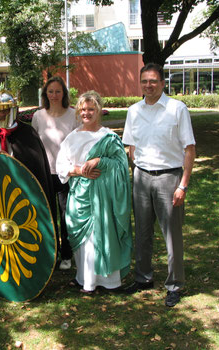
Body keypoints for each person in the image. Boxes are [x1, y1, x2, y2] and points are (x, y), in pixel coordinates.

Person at [122, 63, 196, 307]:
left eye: (153, 81)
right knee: (142, 232)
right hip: (141, 177)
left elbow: (189, 148)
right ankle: (143, 278)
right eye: (144, 81)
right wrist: (138, 169)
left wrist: (182, 184)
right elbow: (130, 146)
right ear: (140, 83)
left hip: (169, 178)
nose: (148, 85)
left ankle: (174, 285)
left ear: (163, 83)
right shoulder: (133, 111)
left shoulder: (177, 109)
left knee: (171, 235)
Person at [56, 91, 132, 294]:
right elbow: (61, 166)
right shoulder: (72, 138)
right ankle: (85, 279)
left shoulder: (108, 137)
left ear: (98, 110)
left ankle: (108, 282)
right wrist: (79, 170)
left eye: (91, 109)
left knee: (101, 237)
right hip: (79, 194)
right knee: (84, 242)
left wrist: (100, 161)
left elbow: (121, 165)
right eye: (82, 109)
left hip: (103, 197)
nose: (86, 113)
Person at [0, 90, 56, 223]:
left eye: (6, 110)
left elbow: (35, 167)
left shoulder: (27, 133)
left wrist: (10, 161)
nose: (2, 114)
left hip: (22, 192)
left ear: (13, 110)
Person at [32, 77, 79, 270]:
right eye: (50, 91)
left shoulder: (73, 115)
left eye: (58, 91)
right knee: (48, 216)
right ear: (45, 94)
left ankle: (67, 255)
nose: (54, 95)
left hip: (66, 173)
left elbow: (79, 143)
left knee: (66, 215)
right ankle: (51, 253)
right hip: (45, 173)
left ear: (64, 93)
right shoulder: (38, 116)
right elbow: (34, 144)